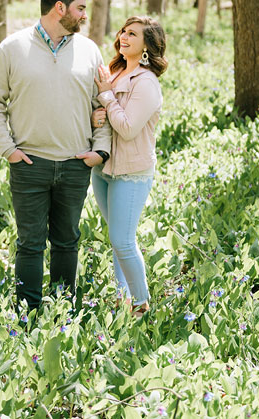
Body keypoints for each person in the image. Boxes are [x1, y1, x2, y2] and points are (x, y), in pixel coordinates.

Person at [0, 0, 111, 313]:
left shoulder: (90, 50)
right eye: (80, 8)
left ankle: (63, 312)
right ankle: (28, 315)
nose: (84, 15)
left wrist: (99, 150)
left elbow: (103, 104)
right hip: (29, 164)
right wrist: (8, 149)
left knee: (67, 242)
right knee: (30, 245)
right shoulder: (12, 48)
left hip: (74, 164)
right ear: (60, 8)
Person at [90, 16, 167, 316]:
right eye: (124, 31)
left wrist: (107, 98)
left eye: (133, 34)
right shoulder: (115, 71)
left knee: (124, 241)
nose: (124, 36)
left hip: (132, 173)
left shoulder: (146, 82)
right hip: (104, 169)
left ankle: (141, 304)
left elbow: (127, 127)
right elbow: (105, 116)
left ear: (147, 46)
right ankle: (122, 299)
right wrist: (98, 115)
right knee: (115, 239)